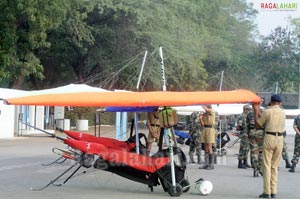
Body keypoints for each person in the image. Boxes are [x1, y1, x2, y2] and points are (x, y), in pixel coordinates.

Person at [253, 94, 285, 199]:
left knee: (266, 165)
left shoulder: (268, 111)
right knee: (275, 167)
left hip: (269, 138)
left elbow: (258, 125)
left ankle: (267, 192)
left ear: (271, 102)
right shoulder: (283, 113)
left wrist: (256, 110)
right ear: (280, 103)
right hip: (280, 139)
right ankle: (274, 191)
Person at [247, 107, 264, 177]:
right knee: (261, 152)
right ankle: (260, 169)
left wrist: (248, 133)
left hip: (252, 133)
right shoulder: (263, 111)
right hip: (261, 133)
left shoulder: (249, 113)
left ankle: (255, 169)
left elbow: (247, 125)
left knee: (253, 152)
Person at [199, 105, 216, 170]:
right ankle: (206, 164)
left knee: (209, 146)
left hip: (210, 129)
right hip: (205, 129)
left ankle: (211, 165)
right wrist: (200, 119)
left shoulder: (212, 111)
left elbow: (208, 110)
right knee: (205, 147)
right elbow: (202, 124)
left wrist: (201, 103)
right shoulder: (205, 114)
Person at [237, 105, 251, 169]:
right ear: (244, 109)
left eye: (249, 109)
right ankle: (240, 163)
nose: (248, 111)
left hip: (248, 134)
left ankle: (245, 162)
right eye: (247, 109)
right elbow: (239, 126)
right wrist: (242, 132)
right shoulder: (242, 116)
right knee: (242, 148)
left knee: (247, 148)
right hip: (244, 134)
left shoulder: (248, 116)